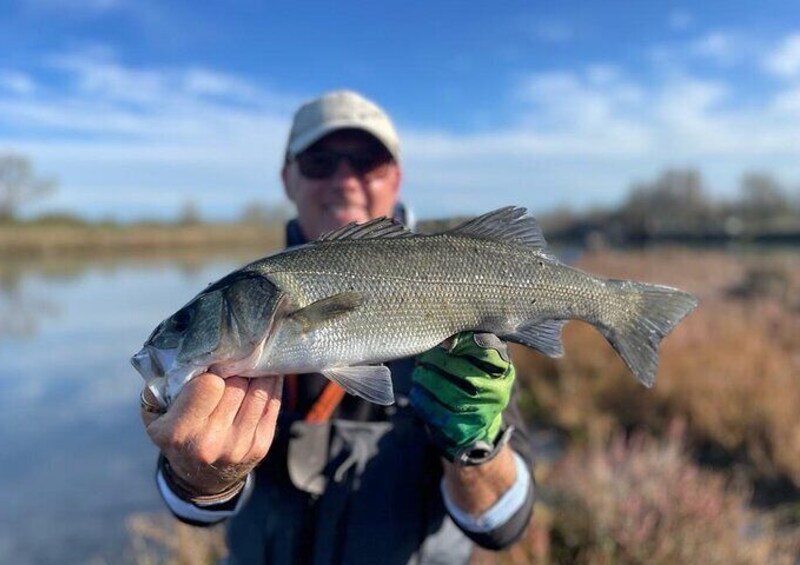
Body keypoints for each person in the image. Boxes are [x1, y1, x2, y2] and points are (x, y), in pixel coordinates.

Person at [140, 90, 536, 564]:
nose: (345, 180)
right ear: (288, 177)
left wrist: (477, 448)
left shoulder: (459, 279)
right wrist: (199, 479)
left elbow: (503, 526)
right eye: (320, 161)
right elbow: (196, 511)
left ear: (396, 177)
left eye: (368, 161)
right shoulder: (246, 297)